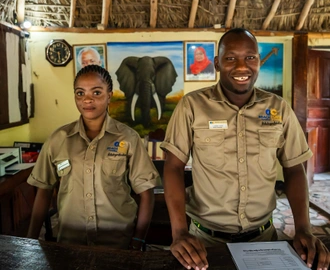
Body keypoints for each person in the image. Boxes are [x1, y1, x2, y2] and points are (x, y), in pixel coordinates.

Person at [161, 28, 330, 270]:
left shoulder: (278, 108)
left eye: (250, 57)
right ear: (217, 63)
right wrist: (178, 233)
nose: (242, 67)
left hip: (264, 239)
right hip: (205, 242)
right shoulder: (192, 106)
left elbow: (294, 169)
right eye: (231, 58)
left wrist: (303, 229)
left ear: (259, 61)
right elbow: (173, 167)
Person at [27, 65, 161, 249]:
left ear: (109, 96)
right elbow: (44, 190)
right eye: (80, 93)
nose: (87, 99)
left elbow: (146, 193)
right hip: (70, 243)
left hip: (118, 243)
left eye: (96, 92)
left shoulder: (128, 138)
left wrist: (138, 240)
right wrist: (30, 241)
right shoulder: (58, 139)